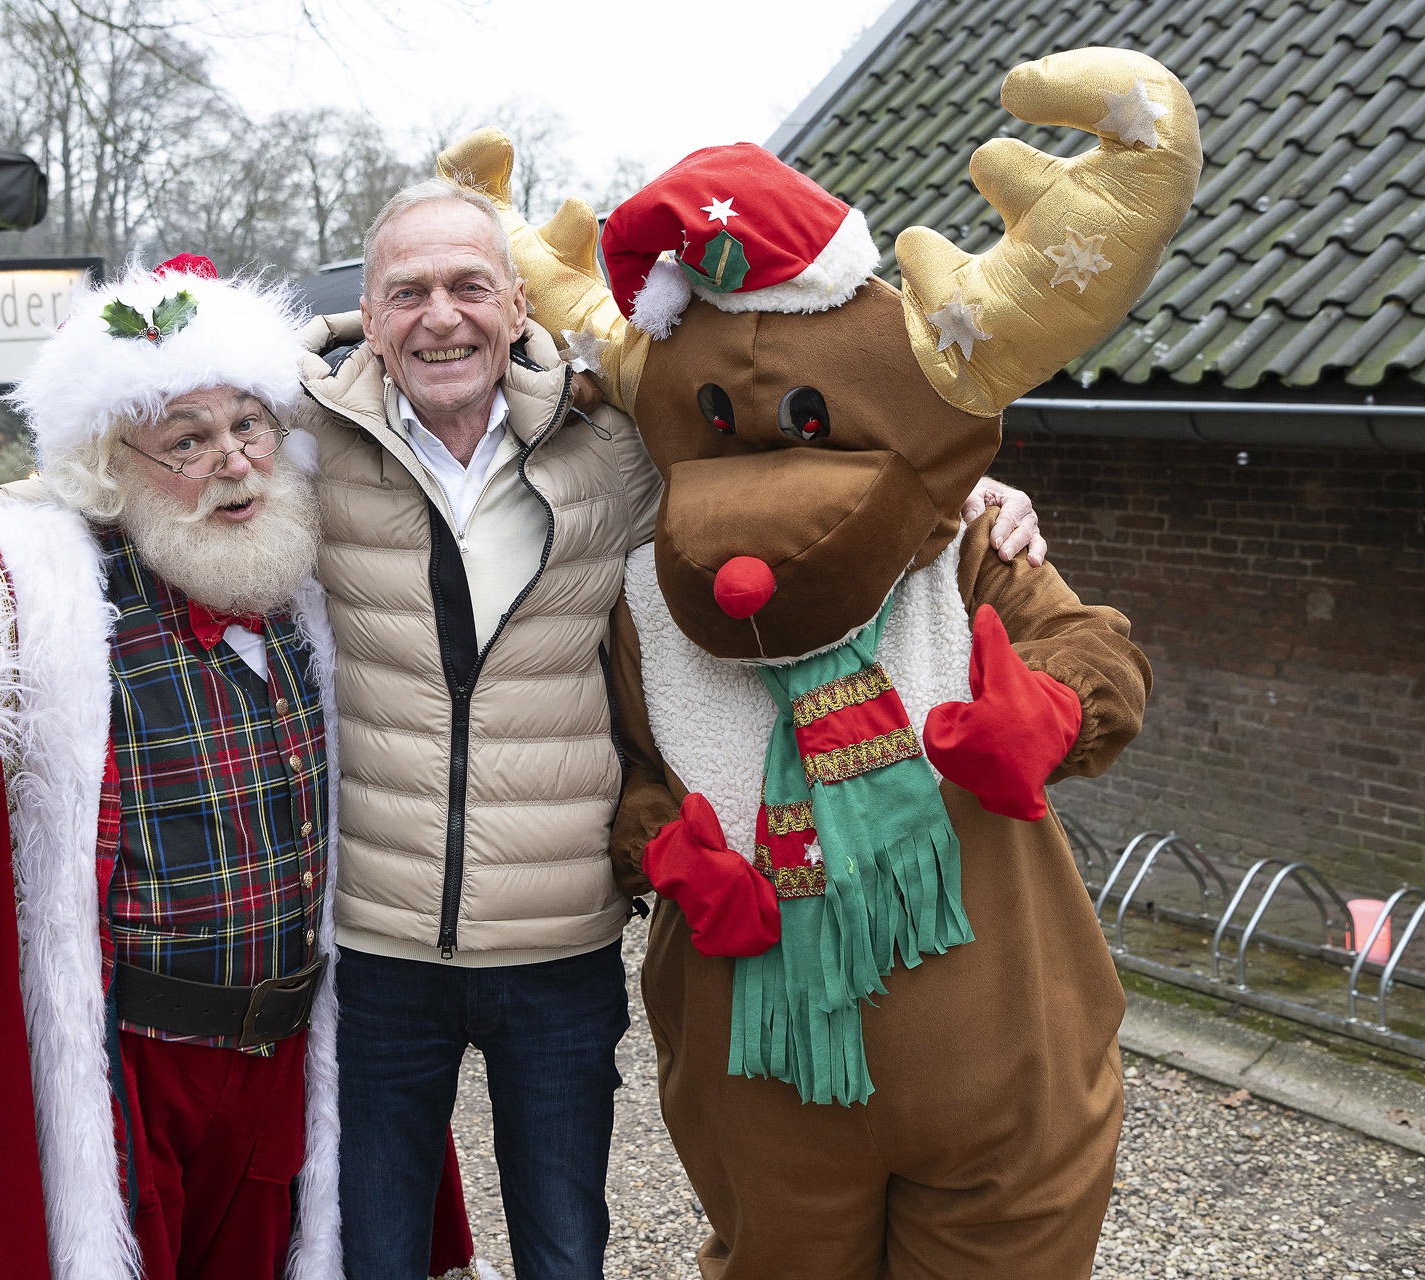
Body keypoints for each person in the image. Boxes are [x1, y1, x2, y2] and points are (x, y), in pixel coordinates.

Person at [290, 174, 1046, 1280]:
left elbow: (783, 465)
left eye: (469, 285)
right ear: (369, 310)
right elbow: (172, 488)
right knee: (377, 1250)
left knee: (565, 1250)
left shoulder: (610, 445)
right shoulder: (308, 446)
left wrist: (971, 498)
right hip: (381, 943)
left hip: (560, 937)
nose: (440, 316)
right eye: (408, 292)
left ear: (515, 304)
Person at [0, 255, 481, 1280]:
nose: (233, 461)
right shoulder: (26, 598)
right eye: (186, 439)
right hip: (128, 1066)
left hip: (293, 1058)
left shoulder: (315, 586)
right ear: (113, 464)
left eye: (248, 424)